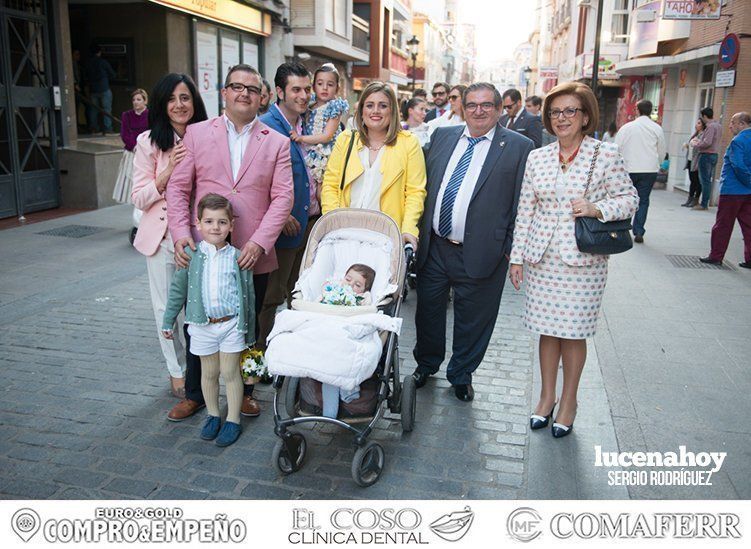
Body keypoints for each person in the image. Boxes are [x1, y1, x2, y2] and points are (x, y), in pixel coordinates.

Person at [509, 82, 638, 438]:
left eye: (570, 111)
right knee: (547, 330)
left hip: (584, 260)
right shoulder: (538, 156)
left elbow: (630, 199)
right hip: (542, 258)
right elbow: (525, 210)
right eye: (555, 112)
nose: (561, 118)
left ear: (585, 117)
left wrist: (598, 208)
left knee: (573, 332)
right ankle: (546, 398)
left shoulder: (605, 154)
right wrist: (516, 258)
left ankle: (569, 401)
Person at [166, 63, 294, 421]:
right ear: (224, 93)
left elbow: (283, 197)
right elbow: (178, 189)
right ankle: (195, 394)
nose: (244, 94)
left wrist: (260, 242)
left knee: (249, 325)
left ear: (262, 98)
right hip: (204, 251)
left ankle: (247, 392)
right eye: (236, 87)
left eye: (252, 90)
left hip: (251, 254)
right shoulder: (196, 134)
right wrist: (180, 234)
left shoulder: (277, 143)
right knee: (198, 322)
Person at [411, 82, 534, 402]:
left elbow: (524, 201)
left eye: (487, 105)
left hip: (483, 251)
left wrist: (508, 248)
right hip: (435, 247)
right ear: (462, 108)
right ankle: (426, 364)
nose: (479, 111)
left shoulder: (520, 146)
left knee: (474, 318)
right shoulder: (442, 136)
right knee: (428, 312)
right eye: (472, 105)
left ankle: (462, 374)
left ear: (498, 109)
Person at [131, 74, 208, 399]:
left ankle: (201, 371)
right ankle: (176, 371)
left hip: (201, 236)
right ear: (163, 105)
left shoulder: (206, 136)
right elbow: (138, 197)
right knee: (167, 310)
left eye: (185, 98)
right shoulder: (148, 142)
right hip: (161, 238)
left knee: (200, 308)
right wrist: (165, 174)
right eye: (173, 99)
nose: (180, 105)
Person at [162, 194, 255, 447]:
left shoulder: (238, 257)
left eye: (222, 222)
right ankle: (213, 415)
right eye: (209, 221)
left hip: (230, 324)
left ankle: (233, 419)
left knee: (230, 372)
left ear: (231, 225)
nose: (216, 227)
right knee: (209, 372)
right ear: (198, 223)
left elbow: (248, 295)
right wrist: (168, 320)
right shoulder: (192, 256)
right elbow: (178, 291)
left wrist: (249, 331)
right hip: (202, 325)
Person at [257, 62, 319, 351]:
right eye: (296, 89)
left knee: (298, 293)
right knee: (272, 296)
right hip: (284, 229)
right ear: (279, 91)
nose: (304, 95)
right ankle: (258, 358)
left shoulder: (308, 125)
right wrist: (280, 216)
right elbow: (256, 180)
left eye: (307, 89)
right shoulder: (268, 126)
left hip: (309, 226)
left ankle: (289, 354)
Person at [699, 112, 751, 269]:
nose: (730, 126)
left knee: (723, 225)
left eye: (733, 122)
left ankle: (716, 256)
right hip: (748, 192)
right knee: (749, 225)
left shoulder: (738, 141)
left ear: (742, 124)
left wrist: (749, 181)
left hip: (732, 190)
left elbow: (738, 165)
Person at [614, 99, 666, 243]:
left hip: (629, 168)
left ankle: (624, 228)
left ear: (637, 110)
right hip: (649, 169)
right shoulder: (656, 128)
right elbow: (662, 150)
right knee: (643, 200)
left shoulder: (627, 127)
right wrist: (659, 163)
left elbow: (616, 147)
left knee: (627, 199)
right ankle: (639, 231)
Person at [294, 63, 349, 187]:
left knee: (323, 190)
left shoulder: (334, 107)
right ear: (313, 86)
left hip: (328, 154)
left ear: (337, 88)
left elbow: (327, 136)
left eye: (330, 85)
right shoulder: (309, 104)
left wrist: (301, 138)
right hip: (310, 152)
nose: (325, 88)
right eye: (320, 84)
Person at [113, 89, 150, 204]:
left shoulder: (151, 115)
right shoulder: (127, 115)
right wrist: (134, 146)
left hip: (146, 152)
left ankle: (145, 199)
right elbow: (124, 134)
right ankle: (133, 201)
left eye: (139, 99)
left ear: (145, 101)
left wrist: (144, 147)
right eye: (134, 100)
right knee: (131, 178)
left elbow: (152, 133)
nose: (135, 102)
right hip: (131, 151)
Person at [692, 107, 723, 210]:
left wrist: (696, 144)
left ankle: (704, 204)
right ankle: (705, 202)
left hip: (706, 155)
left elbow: (707, 142)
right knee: (707, 179)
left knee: (704, 180)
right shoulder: (718, 125)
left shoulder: (710, 127)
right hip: (714, 154)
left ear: (705, 116)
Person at [85, 44, 116, 134]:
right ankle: (108, 129)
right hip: (104, 88)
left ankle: (94, 128)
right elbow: (112, 74)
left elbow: (85, 75)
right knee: (107, 109)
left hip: (93, 89)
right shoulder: (103, 62)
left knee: (93, 110)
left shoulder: (88, 63)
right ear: (99, 52)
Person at [682, 118, 706, 207]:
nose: (697, 125)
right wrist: (687, 145)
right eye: (697, 123)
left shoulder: (703, 135)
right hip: (690, 160)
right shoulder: (695, 134)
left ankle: (696, 199)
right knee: (692, 180)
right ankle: (690, 198)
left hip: (696, 161)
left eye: (699, 123)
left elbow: (701, 146)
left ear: (703, 125)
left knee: (697, 181)